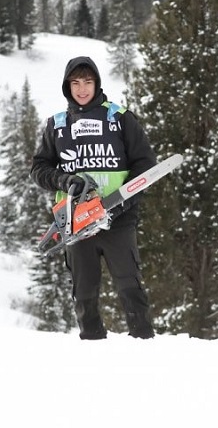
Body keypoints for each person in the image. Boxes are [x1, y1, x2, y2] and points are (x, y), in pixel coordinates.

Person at [31, 56, 157, 339]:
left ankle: (144, 344)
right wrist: (62, 179)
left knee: (130, 286)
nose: (82, 89)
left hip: (118, 219)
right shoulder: (58, 124)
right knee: (84, 293)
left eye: (87, 82)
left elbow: (146, 164)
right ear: (67, 87)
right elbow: (38, 169)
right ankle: (92, 346)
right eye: (75, 83)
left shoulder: (119, 117)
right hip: (76, 222)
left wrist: (123, 201)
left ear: (97, 83)